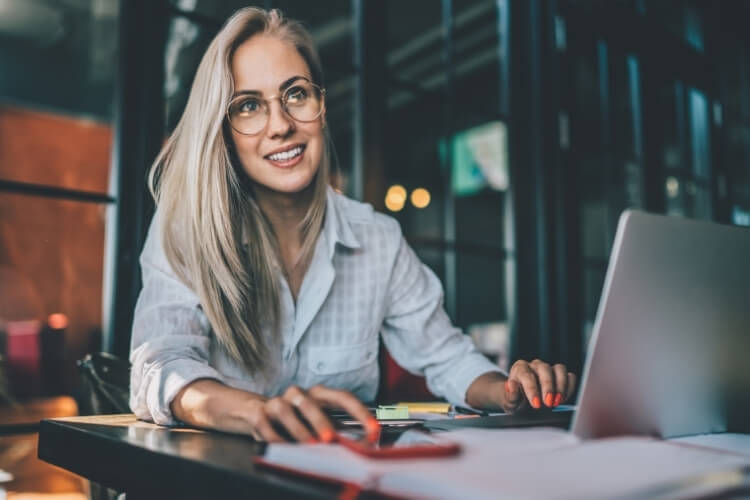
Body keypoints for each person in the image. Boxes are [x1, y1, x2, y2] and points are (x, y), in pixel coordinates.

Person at [129, 7, 577, 443]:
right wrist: (256, 411)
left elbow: (448, 358)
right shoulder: (185, 234)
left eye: (296, 94)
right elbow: (161, 366)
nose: (281, 125)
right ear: (223, 131)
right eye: (249, 106)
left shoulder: (378, 239)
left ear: (321, 105)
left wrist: (512, 391)